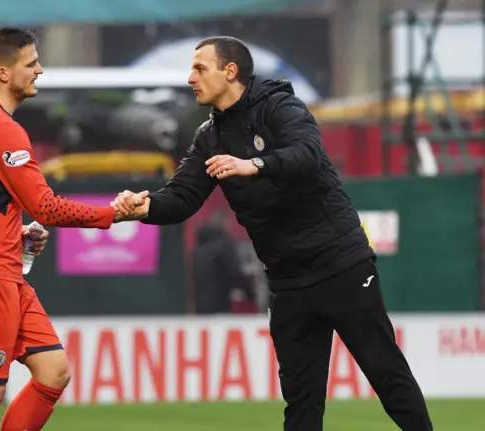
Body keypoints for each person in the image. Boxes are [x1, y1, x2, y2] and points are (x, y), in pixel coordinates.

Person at [112, 36, 433, 430]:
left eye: (199, 68)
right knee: (300, 401)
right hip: (287, 281)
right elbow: (182, 197)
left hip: (340, 265)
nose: (190, 78)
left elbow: (308, 154)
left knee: (386, 373)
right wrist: (145, 208)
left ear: (230, 72)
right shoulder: (209, 136)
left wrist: (255, 165)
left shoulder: (281, 106)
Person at [0, 27, 132, 431]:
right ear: (5, 73)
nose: (40, 70)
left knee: (53, 370)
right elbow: (45, 206)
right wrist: (112, 213)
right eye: (31, 63)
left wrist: (11, 233)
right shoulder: (1, 127)